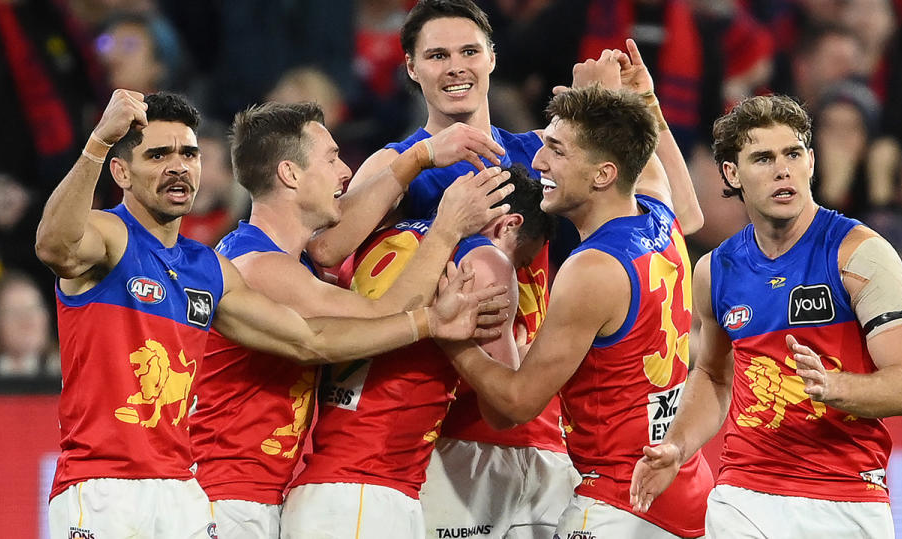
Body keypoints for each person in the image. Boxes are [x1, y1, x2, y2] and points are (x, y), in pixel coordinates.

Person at [35, 89, 508, 539]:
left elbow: (310, 340)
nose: (178, 168)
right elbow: (55, 243)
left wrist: (428, 321)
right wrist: (97, 142)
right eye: (159, 155)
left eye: (190, 154)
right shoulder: (114, 238)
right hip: (126, 487)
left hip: (189, 492)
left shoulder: (210, 269)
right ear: (121, 172)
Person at [190, 101, 515, 539]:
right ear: (289, 174)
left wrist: (419, 157)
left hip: (255, 494)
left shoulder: (289, 262)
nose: (345, 172)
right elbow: (385, 315)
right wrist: (447, 228)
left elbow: (331, 247)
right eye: (331, 158)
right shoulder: (260, 268)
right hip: (225, 498)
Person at [440, 52, 713, 538]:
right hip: (685, 488)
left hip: (619, 499)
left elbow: (515, 405)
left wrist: (450, 336)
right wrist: (637, 98)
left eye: (558, 151)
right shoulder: (660, 216)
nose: (539, 161)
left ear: (603, 174)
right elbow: (684, 202)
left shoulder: (591, 269)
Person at [629, 95, 902, 538]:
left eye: (792, 154)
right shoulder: (715, 269)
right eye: (763, 158)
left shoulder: (860, 254)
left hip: (845, 498)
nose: (782, 169)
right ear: (733, 174)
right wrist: (676, 445)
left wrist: (834, 386)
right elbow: (713, 376)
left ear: (810, 162)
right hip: (745, 495)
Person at [283, 164, 555, 538]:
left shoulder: (376, 241)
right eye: (523, 260)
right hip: (372, 491)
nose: (518, 270)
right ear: (508, 225)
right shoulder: (485, 262)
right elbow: (504, 408)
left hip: (321, 482)